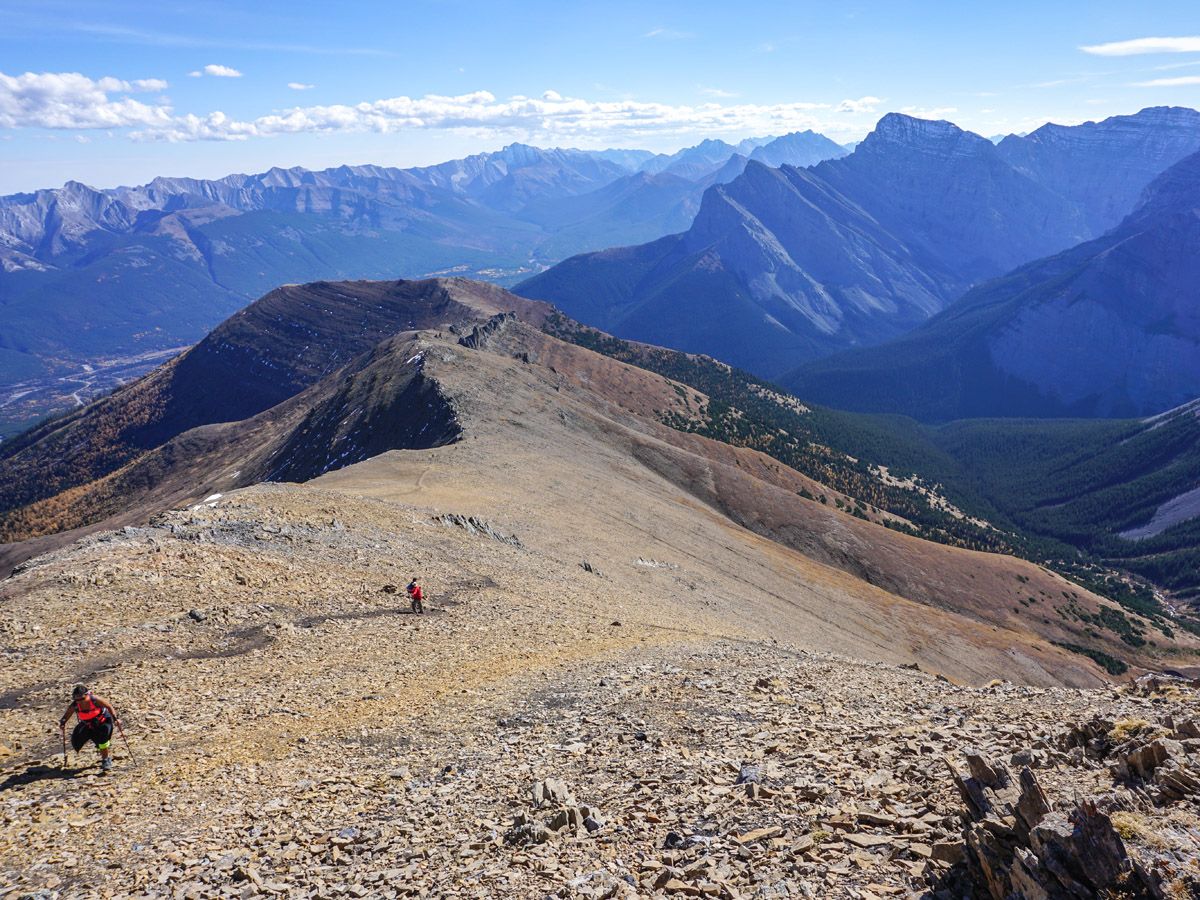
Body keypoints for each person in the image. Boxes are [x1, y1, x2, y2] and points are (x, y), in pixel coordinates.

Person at [59, 684, 120, 772]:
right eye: (77, 699)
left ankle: (106, 760)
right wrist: (63, 722)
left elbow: (109, 706)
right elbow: (67, 714)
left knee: (102, 741)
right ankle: (101, 749)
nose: (80, 701)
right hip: (87, 724)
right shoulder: (75, 705)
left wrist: (115, 719)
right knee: (76, 740)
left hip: (103, 721)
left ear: (88, 694)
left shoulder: (95, 700)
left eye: (82, 699)